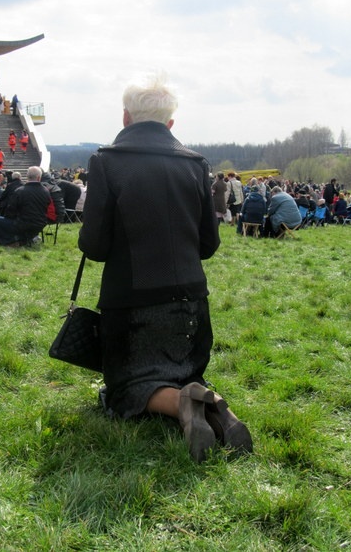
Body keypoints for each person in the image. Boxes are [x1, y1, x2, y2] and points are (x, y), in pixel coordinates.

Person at [78, 74, 252, 462]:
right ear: (170, 124)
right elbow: (209, 244)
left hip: (132, 300)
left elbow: (95, 247)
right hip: (191, 297)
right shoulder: (196, 164)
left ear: (126, 118)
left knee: (125, 386)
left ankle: (181, 406)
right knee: (185, 372)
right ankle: (214, 404)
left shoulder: (106, 161)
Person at [0, 166, 50, 246]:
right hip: (39, 225)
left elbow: (10, 211)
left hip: (21, 225)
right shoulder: (46, 191)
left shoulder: (20, 191)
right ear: (39, 178)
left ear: (27, 177)